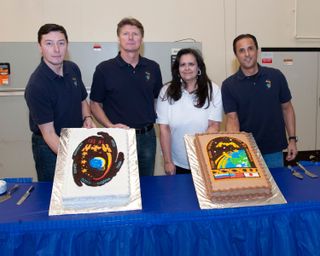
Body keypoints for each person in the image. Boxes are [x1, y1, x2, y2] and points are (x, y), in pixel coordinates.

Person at [90, 17, 163, 176]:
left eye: (135, 34)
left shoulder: (153, 67)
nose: (130, 38)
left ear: (141, 39)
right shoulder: (104, 69)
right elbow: (95, 103)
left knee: (147, 183)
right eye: (126, 34)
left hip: (147, 138)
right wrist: (110, 126)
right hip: (118, 138)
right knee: (118, 181)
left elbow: (158, 99)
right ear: (119, 38)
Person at [25, 24, 96, 181]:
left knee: (78, 189)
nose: (56, 49)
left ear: (67, 45)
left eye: (61, 43)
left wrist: (87, 118)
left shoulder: (73, 68)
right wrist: (78, 158)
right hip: (50, 147)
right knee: (54, 195)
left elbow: (83, 100)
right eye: (49, 43)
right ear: (40, 47)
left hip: (75, 138)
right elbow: (49, 134)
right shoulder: (37, 85)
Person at [221, 34, 298, 168]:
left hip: (273, 150)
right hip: (245, 151)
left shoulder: (276, 76)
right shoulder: (228, 85)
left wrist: (292, 139)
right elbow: (232, 120)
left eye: (250, 48)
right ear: (236, 55)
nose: (247, 54)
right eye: (241, 50)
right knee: (249, 188)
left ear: (257, 50)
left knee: (277, 187)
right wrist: (236, 150)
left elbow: (287, 108)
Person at [156, 48, 223, 175]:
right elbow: (164, 129)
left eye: (191, 64)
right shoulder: (166, 91)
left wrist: (197, 151)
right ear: (177, 69)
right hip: (176, 161)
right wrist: (168, 161)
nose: (187, 68)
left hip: (204, 159)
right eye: (183, 64)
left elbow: (214, 125)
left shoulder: (213, 89)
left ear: (199, 68)